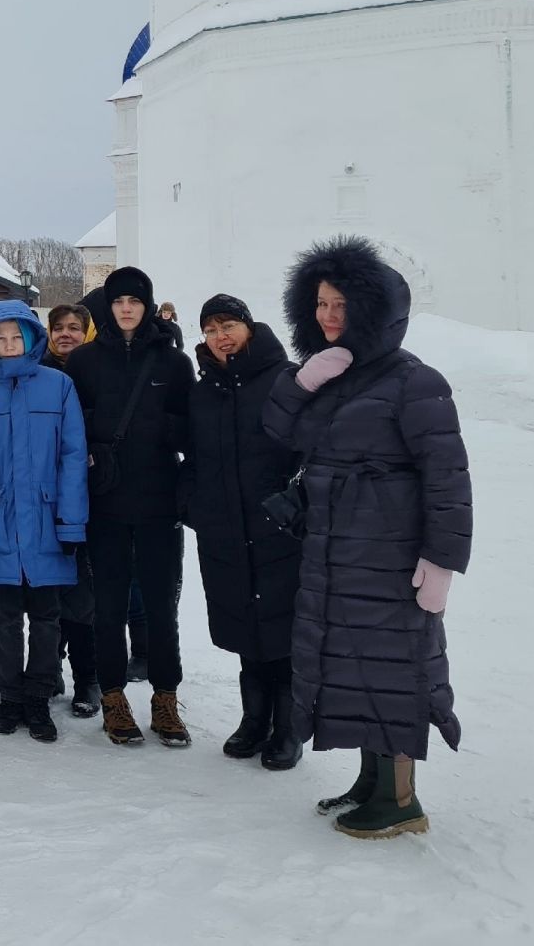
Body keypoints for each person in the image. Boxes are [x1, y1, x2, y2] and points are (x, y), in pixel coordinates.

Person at [264, 237, 471, 839]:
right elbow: (278, 430)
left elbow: (448, 479)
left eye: (342, 305)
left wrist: (442, 562)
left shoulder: (416, 381)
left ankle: (401, 800)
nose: (330, 316)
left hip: (391, 555)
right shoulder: (332, 373)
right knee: (352, 667)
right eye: (321, 304)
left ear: (374, 309)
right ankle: (370, 781)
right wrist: (302, 382)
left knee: (395, 671)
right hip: (334, 549)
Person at [66, 265, 194, 748]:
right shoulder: (84, 363)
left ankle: (165, 698)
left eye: (135, 302)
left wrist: (161, 430)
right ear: (108, 306)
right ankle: (114, 698)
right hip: (107, 502)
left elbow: (189, 429)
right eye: (119, 301)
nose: (126, 308)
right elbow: (72, 429)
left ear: (147, 306)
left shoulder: (172, 363)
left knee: (162, 606)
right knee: (109, 607)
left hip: (160, 502)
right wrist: (101, 430)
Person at [0, 303, 89, 744]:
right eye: (0, 338)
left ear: (32, 338)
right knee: (6, 616)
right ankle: (10, 696)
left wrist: (71, 524)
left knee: (48, 618)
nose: (10, 346)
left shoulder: (60, 386)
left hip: (48, 520)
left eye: (17, 337)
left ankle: (39, 695)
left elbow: (72, 458)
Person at [186, 293, 301, 771]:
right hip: (225, 529)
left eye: (228, 325)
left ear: (249, 328)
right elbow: (190, 458)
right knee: (246, 632)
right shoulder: (202, 390)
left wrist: (294, 505)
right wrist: (194, 507)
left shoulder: (286, 380)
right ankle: (254, 721)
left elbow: (312, 450)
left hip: (280, 529)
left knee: (284, 633)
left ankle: (288, 731)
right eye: (211, 330)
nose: (220, 337)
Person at [43, 303, 99, 717]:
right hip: (43, 493)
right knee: (47, 591)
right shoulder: (37, 369)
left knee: (82, 593)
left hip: (90, 494)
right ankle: (49, 668)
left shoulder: (97, 370)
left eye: (75, 328)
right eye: (58, 327)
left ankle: (87, 679)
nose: (66, 334)